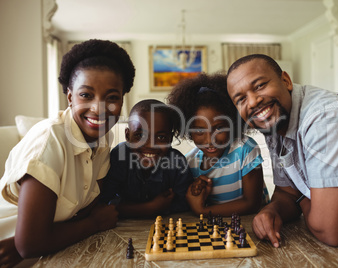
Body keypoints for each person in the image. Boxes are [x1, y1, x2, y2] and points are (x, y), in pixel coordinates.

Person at [226, 54, 338, 267]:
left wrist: (302, 199)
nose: (253, 101)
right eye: (241, 99)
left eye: (260, 85)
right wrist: (271, 210)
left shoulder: (328, 119)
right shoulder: (274, 124)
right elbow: (286, 192)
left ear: (286, 81)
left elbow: (330, 230)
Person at [0, 39, 135, 267]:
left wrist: (88, 220)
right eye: (86, 95)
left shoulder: (103, 138)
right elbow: (29, 244)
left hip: (49, 248)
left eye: (112, 97)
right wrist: (94, 223)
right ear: (70, 97)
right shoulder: (50, 140)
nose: (99, 108)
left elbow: (90, 207)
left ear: (122, 101)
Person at [167, 73, 269, 217]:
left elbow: (252, 203)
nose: (210, 140)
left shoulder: (245, 149)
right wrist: (195, 194)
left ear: (233, 123)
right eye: (199, 130)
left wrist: (202, 211)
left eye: (219, 128)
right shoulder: (189, 162)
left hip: (254, 224)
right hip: (221, 229)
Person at [100, 99, 193, 217]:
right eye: (140, 135)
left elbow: (186, 203)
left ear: (170, 139)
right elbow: (105, 203)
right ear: (128, 136)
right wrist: (151, 208)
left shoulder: (177, 162)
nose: (150, 145)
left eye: (161, 137)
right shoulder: (119, 156)